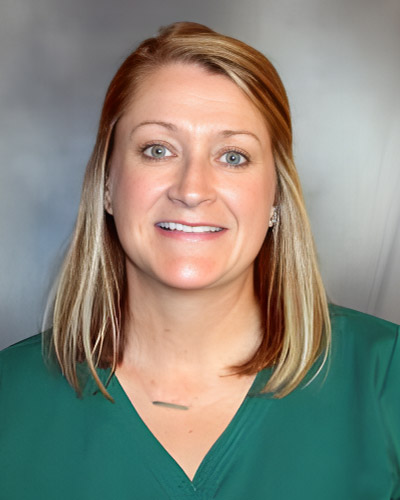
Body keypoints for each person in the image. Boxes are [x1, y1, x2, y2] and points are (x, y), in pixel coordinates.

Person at [0, 22, 399, 500]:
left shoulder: (385, 379)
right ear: (107, 185)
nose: (191, 190)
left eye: (232, 157)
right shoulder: (9, 400)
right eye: (157, 149)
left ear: (276, 195)